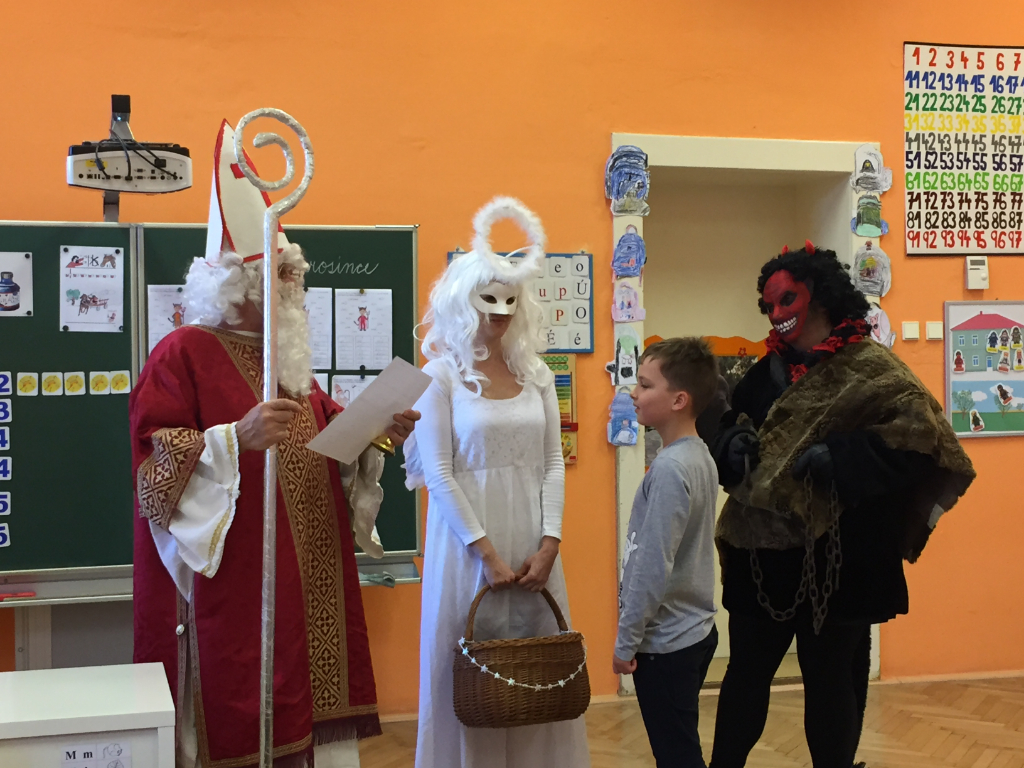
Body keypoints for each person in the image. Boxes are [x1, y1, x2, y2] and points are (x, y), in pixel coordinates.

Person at [131, 119, 418, 768]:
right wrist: (236, 438)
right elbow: (154, 465)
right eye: (283, 273)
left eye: (293, 273)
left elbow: (323, 436)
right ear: (238, 280)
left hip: (304, 572)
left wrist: (375, 431)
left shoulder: (286, 363)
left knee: (301, 712)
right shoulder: (182, 353)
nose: (295, 286)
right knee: (242, 710)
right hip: (234, 583)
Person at [708, 242, 975, 768]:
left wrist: (848, 456)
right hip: (761, 559)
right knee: (746, 675)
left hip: (842, 560)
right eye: (768, 305)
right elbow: (729, 424)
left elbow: (924, 442)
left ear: (822, 296)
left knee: (832, 679)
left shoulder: (875, 370)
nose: (776, 314)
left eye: (787, 300)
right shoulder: (762, 376)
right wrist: (730, 444)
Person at [404, 197, 590, 768]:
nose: (501, 311)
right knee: (472, 672)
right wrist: (484, 554)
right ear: (463, 301)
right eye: (489, 300)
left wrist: (551, 542)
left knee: (537, 673)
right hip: (468, 547)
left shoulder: (537, 374)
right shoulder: (440, 378)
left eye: (511, 300)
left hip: (534, 544)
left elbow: (553, 461)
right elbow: (439, 473)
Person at [614, 338, 720, 768]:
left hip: (667, 643)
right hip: (691, 632)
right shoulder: (697, 455)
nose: (633, 394)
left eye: (645, 385)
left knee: (677, 755)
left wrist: (626, 641)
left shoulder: (672, 468)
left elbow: (652, 565)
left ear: (679, 400)